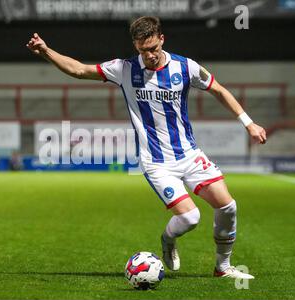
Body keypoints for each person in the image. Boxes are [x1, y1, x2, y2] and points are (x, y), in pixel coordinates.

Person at [26, 16, 267, 279]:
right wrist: (46, 51)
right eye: (143, 50)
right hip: (156, 163)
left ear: (162, 39)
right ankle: (167, 241)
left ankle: (222, 268)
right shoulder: (124, 68)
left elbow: (218, 89)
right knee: (190, 219)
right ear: (135, 45)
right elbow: (79, 70)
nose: (149, 55)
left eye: (153, 48)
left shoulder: (186, 67)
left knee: (228, 207)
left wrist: (249, 123)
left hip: (189, 154)